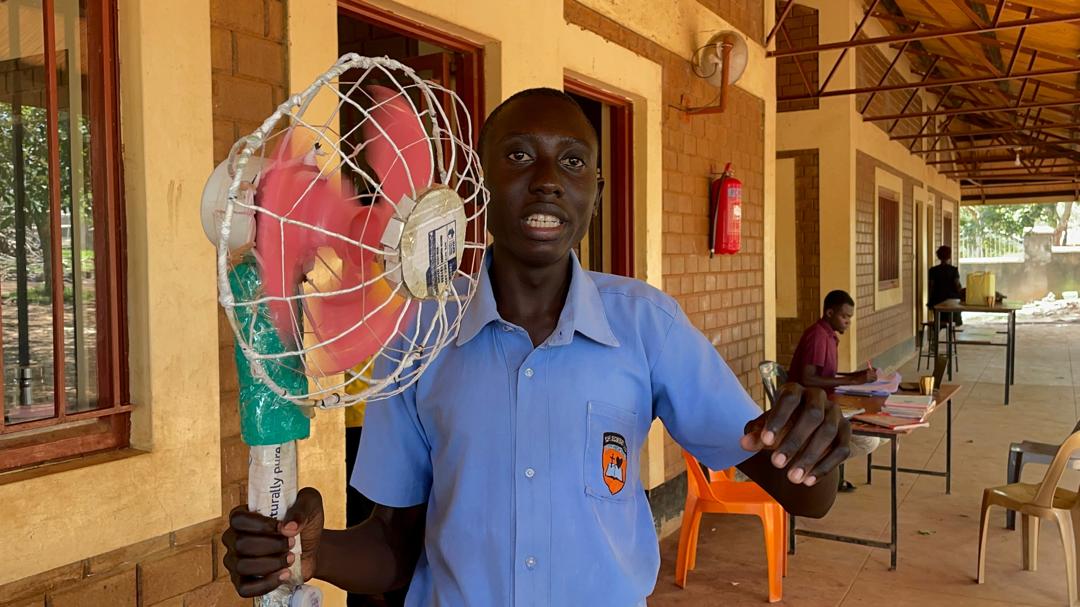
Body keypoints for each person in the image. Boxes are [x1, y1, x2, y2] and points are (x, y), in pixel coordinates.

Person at [223, 88, 852, 606]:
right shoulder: (417, 337)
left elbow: (805, 494)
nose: (548, 181)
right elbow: (397, 547)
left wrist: (816, 443)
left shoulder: (644, 326)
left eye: (573, 162)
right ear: (479, 186)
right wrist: (308, 552)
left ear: (597, 196)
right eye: (519, 156)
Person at [787, 290, 881, 491]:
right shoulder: (818, 336)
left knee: (863, 428)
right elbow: (808, 378)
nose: (848, 322)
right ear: (829, 313)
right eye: (844, 316)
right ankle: (817, 464)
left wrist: (855, 376)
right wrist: (853, 381)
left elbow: (827, 373)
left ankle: (825, 469)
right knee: (868, 441)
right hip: (809, 408)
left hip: (825, 402)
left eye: (850, 318)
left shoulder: (829, 335)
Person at [928, 245, 963, 326]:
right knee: (953, 322)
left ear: (938, 256)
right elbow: (957, 285)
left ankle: (937, 336)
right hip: (952, 301)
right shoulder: (953, 270)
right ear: (949, 256)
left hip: (937, 300)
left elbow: (931, 287)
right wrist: (962, 295)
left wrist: (930, 302)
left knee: (940, 323)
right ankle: (951, 335)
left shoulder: (933, 270)